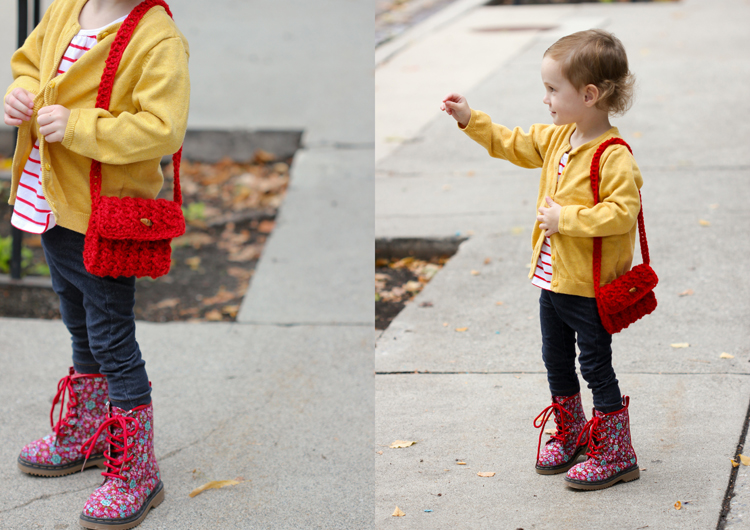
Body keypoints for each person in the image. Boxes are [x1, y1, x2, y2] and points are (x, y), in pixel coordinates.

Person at [4, 0, 189, 526]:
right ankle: (88, 429)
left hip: (101, 217)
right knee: (78, 320)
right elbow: (28, 62)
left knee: (111, 337)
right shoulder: (67, 8)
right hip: (51, 199)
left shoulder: (157, 38)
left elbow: (162, 127)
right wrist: (19, 95)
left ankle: (138, 471)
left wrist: (78, 124)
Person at [440, 29, 641, 491]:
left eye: (553, 89)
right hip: (552, 279)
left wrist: (565, 218)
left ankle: (615, 449)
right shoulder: (558, 140)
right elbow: (513, 142)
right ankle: (572, 432)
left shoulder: (613, 156)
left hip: (588, 287)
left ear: (589, 95)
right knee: (555, 358)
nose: (545, 98)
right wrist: (471, 119)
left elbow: (621, 211)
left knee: (594, 364)